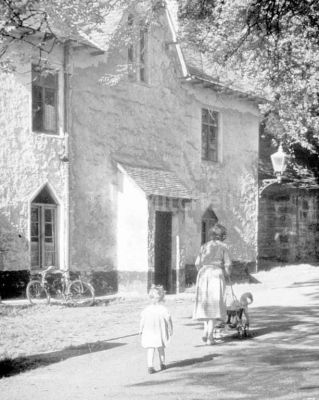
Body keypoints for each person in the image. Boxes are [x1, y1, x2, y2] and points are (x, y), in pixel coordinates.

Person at [193, 223, 232, 345]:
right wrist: (227, 273)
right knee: (215, 304)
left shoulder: (204, 246)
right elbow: (228, 264)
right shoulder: (223, 247)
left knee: (205, 303)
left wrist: (202, 270)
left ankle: (206, 330)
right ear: (222, 236)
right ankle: (210, 336)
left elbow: (197, 263)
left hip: (203, 273)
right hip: (216, 274)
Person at [139, 285, 173, 374]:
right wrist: (170, 328)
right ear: (162, 298)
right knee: (161, 348)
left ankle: (150, 366)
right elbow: (169, 319)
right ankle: (162, 364)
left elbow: (142, 320)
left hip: (149, 332)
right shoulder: (163, 309)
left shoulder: (146, 310)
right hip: (159, 333)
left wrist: (140, 329)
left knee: (150, 349)